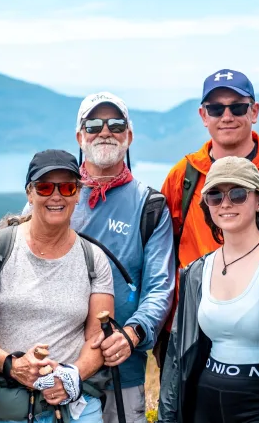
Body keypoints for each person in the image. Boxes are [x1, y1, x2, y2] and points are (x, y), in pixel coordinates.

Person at [155, 68, 259, 374]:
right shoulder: (183, 176)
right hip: (191, 326)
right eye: (216, 108)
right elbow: (161, 257)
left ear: (254, 112)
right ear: (204, 116)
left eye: (237, 107)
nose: (226, 116)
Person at [157, 156, 259, 423]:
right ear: (206, 205)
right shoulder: (197, 272)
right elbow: (177, 354)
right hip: (203, 405)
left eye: (238, 193)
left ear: (258, 201)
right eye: (215, 196)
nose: (226, 203)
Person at [0, 149, 116, 423]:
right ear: (29, 194)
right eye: (44, 187)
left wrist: (72, 376)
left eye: (67, 187)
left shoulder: (93, 258)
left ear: (78, 194)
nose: (56, 196)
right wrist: (11, 365)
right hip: (7, 408)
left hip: (75, 409)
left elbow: (98, 337)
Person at [71, 92, 176, 423]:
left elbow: (160, 287)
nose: (105, 131)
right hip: (60, 366)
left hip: (123, 370)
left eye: (116, 124)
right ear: (80, 136)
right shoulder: (52, 194)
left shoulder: (150, 206)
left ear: (129, 136)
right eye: (94, 124)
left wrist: (131, 336)